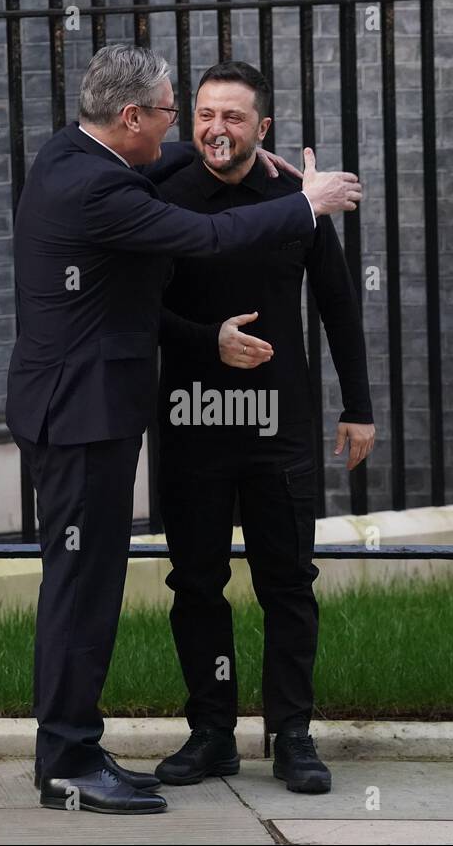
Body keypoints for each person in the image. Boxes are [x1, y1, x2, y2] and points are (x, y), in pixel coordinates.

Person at [6, 44, 362, 815]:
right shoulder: (100, 189)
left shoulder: (70, 153)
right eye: (177, 113)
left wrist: (245, 149)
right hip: (81, 418)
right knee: (80, 591)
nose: (182, 131)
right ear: (130, 116)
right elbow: (205, 238)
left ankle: (77, 745)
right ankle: (68, 758)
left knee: (89, 588)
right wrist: (310, 199)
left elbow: (182, 170)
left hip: (80, 412)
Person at [152, 62, 375, 795]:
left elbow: (338, 303)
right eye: (206, 114)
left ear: (264, 129)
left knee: (288, 582)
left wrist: (360, 406)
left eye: (235, 117)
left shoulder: (293, 197)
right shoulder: (164, 193)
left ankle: (293, 733)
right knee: (196, 583)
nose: (218, 128)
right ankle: (211, 732)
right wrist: (203, 340)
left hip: (280, 425)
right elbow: (138, 312)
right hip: (191, 421)